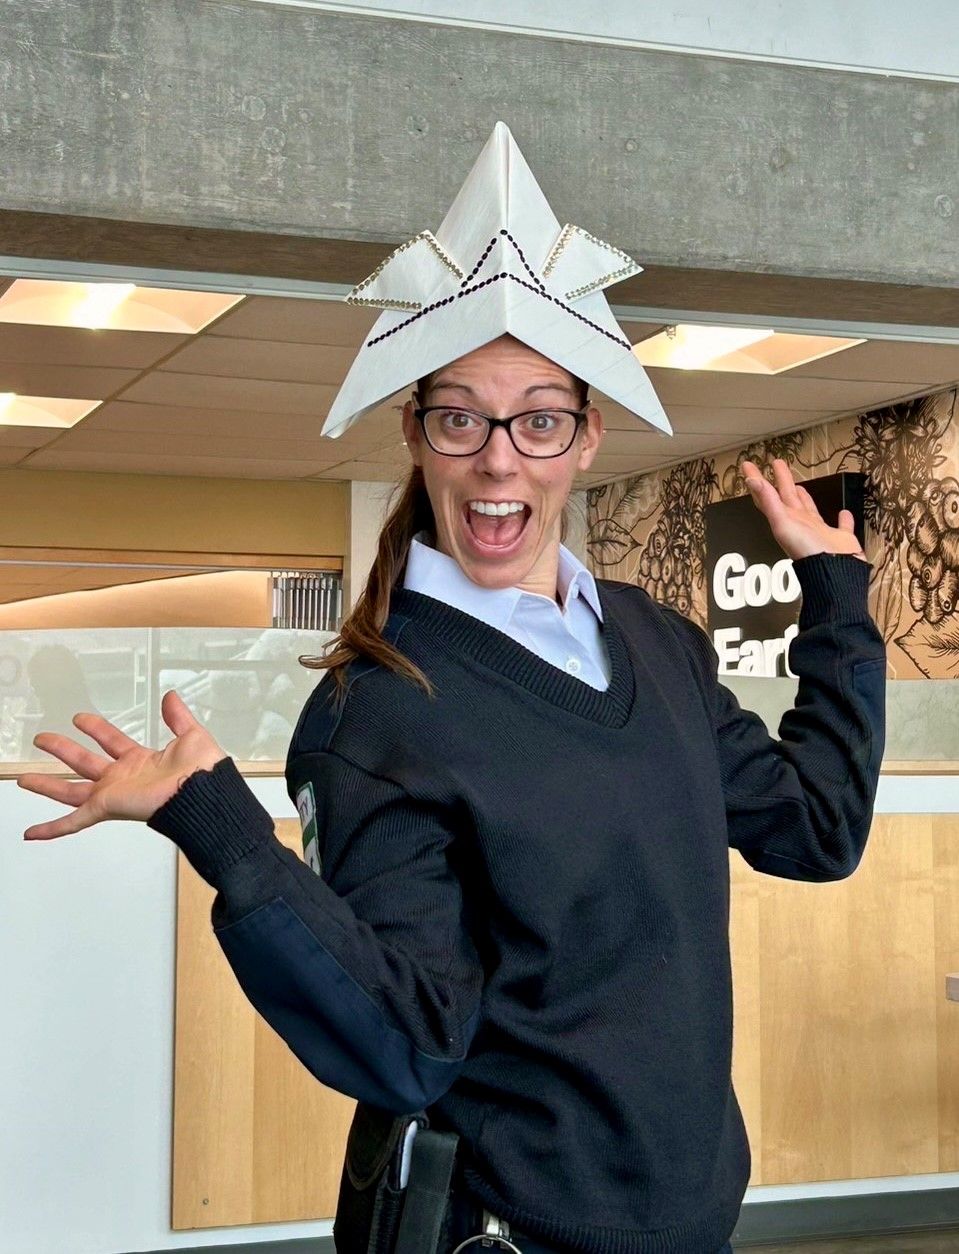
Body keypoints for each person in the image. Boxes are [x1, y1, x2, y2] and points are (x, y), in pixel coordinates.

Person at [18, 126, 885, 1254]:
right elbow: (407, 1044)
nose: (497, 458)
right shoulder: (378, 711)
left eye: (538, 418)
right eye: (459, 416)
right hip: (515, 1232)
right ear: (418, 434)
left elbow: (814, 830)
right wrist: (226, 838)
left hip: (687, 1210)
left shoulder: (655, 642)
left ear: (585, 439)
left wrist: (835, 601)